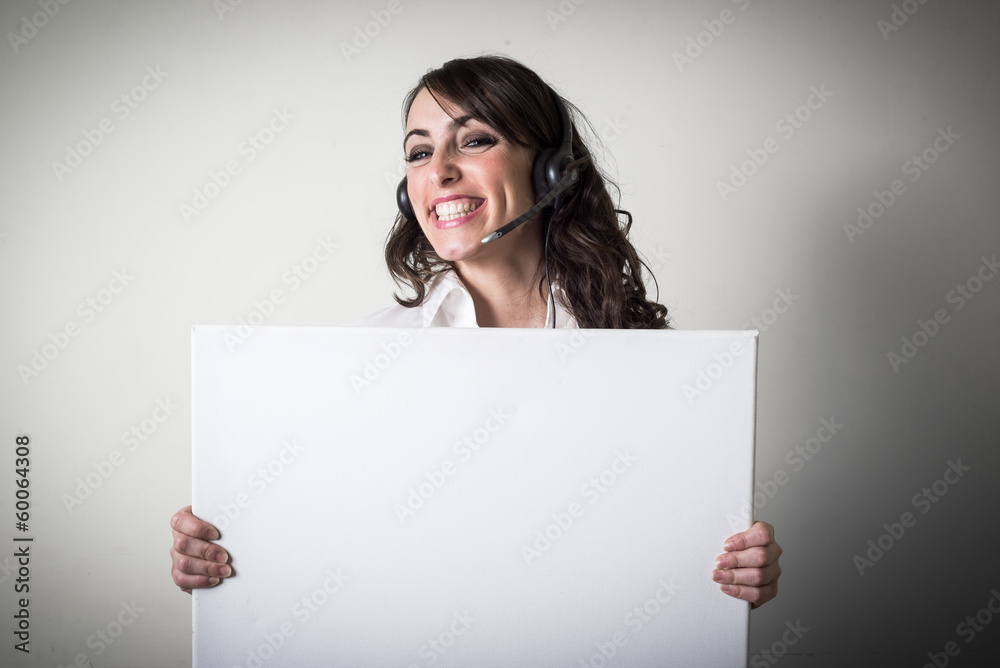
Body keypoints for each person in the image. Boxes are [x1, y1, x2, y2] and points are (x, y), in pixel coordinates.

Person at [170, 54, 782, 608]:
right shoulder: (359, 361)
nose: (438, 170)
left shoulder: (661, 371)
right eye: (418, 152)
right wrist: (226, 553)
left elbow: (664, 561)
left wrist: (734, 572)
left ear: (549, 172)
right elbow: (321, 545)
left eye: (474, 141)